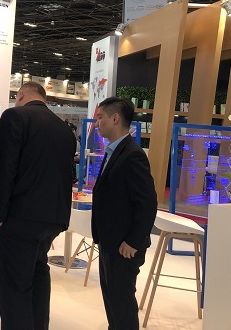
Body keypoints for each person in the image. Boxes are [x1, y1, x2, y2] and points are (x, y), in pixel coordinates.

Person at [0, 81, 76, 330]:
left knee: (14, 288)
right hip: (52, 220)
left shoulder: (15, 117)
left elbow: (4, 168)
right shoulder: (64, 129)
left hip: (19, 219)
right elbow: (67, 176)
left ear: (21, 95)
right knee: (38, 276)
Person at [92, 97, 157, 330]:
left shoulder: (132, 154)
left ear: (115, 118)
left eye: (100, 117)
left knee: (121, 305)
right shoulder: (114, 151)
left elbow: (147, 203)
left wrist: (133, 241)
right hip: (110, 241)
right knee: (113, 302)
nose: (97, 123)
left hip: (124, 246)